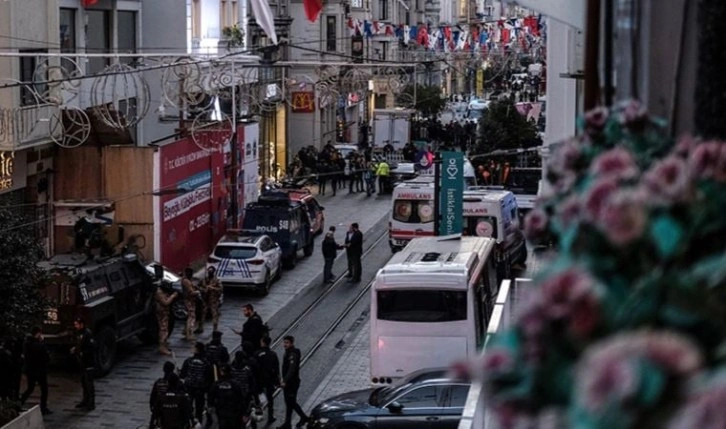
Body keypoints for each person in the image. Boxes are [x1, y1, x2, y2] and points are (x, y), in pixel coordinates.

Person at [180, 342, 213, 425]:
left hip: (189, 387)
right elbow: (209, 377)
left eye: (193, 347)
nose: (191, 348)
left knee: (188, 407)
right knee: (199, 408)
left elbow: (183, 375)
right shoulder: (206, 362)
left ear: (197, 350)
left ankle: (188, 423)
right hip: (200, 389)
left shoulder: (188, 361)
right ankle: (199, 423)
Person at [20, 327, 51, 415]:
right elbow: (45, 355)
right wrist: (42, 342)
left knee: (30, 388)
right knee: (44, 389)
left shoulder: (27, 343)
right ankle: (43, 408)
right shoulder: (38, 344)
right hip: (39, 370)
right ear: (38, 333)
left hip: (30, 370)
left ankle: (20, 403)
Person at [279, 336, 308, 429]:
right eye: (284, 342)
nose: (285, 344)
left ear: (291, 343)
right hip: (290, 382)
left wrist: (285, 380)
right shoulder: (288, 352)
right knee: (289, 402)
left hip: (292, 383)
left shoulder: (292, 354)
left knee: (291, 402)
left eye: (287, 343)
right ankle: (288, 423)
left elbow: (292, 369)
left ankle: (303, 418)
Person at [71, 318, 96, 411]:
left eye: (77, 324)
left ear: (82, 324)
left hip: (88, 363)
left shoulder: (88, 334)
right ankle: (85, 400)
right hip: (82, 363)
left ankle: (91, 403)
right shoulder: (79, 333)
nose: (75, 326)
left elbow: (91, 348)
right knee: (84, 383)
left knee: (89, 384)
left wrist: (82, 352)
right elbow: (79, 344)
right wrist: (75, 349)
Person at [208, 364, 245, 429]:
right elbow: (240, 398)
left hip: (221, 410)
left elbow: (211, 396)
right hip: (233, 411)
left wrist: (211, 405)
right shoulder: (235, 384)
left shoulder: (217, 384)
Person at [255, 336, 280, 426]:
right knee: (270, 399)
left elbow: (254, 368)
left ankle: (257, 415)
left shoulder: (257, 353)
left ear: (263, 342)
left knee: (257, 399)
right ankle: (270, 416)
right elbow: (276, 369)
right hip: (269, 380)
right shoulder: (273, 354)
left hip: (259, 380)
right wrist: (277, 381)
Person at [229, 350, 258, 427]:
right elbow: (252, 382)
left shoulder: (232, 368)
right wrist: (255, 397)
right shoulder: (246, 369)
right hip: (245, 394)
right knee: (247, 412)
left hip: (234, 395)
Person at [150, 361, 177, 428]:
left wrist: (153, 407)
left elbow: (153, 397)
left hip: (160, 409)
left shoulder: (158, 382)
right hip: (174, 410)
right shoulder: (177, 382)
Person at [155, 282, 179, 355]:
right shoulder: (159, 292)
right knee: (163, 330)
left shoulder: (162, 291)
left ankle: (164, 345)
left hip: (164, 312)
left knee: (164, 329)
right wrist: (173, 296)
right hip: (162, 312)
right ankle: (162, 347)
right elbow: (165, 302)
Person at [202, 266, 223, 332]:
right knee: (202, 314)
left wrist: (213, 288)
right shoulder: (205, 279)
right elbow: (199, 287)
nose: (209, 272)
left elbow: (221, 289)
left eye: (211, 271)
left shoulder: (217, 280)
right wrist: (204, 289)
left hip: (213, 300)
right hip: (205, 299)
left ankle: (215, 328)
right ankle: (200, 327)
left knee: (214, 314)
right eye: (209, 271)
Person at [182, 267, 200, 341]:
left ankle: (185, 332)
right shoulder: (186, 281)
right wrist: (198, 292)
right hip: (189, 301)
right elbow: (191, 292)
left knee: (189, 316)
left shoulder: (187, 280)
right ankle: (189, 334)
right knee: (191, 317)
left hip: (189, 300)